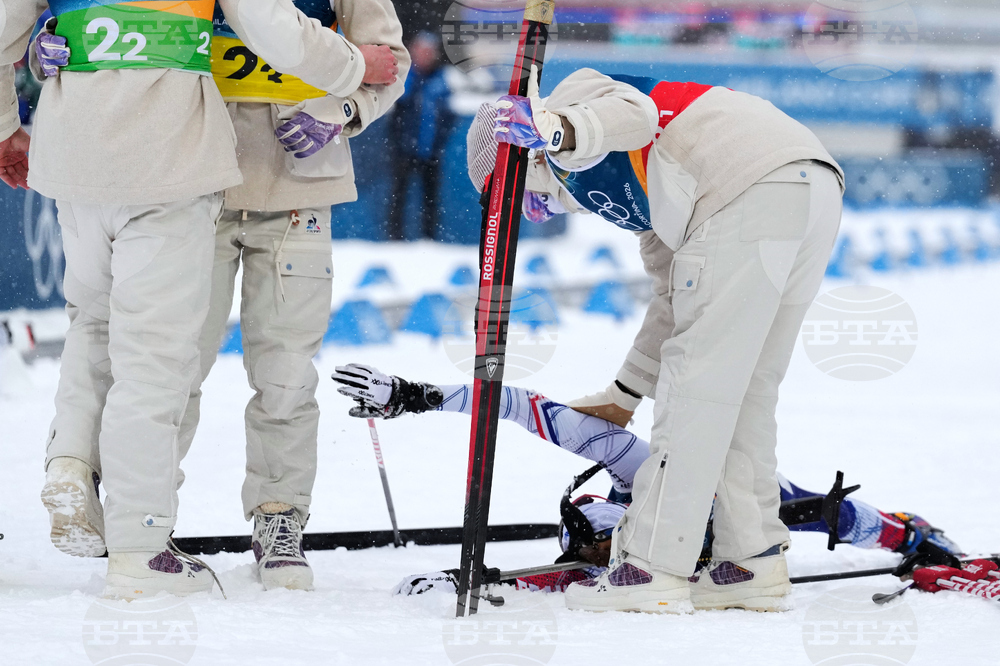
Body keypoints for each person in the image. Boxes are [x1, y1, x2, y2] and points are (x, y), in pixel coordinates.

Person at [3, 0, 385, 599]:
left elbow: (386, 64)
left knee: (275, 371)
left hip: (282, 182)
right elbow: (283, 32)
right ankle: (143, 533)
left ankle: (269, 516)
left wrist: (342, 108)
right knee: (165, 368)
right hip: (185, 170)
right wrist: (355, 68)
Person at [469, 68, 846, 612]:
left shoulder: (573, 101)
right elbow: (675, 296)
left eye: (528, 199)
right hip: (803, 185)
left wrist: (556, 128)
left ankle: (650, 567)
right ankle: (750, 560)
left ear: (523, 162)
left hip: (745, 184)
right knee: (745, 394)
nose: (540, 211)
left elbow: (637, 114)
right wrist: (623, 394)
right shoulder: (648, 196)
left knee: (693, 392)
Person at [329, 365, 962, 597]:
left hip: (726, 483)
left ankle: (912, 533)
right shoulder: (599, 555)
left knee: (824, 513)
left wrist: (419, 395)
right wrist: (471, 580)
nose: (600, 559)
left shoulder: (634, 464)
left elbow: (519, 405)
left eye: (601, 548)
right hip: (715, 527)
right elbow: (553, 579)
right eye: (595, 557)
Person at [385, 32, 457, 240]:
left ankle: (429, 239)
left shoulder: (440, 79)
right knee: (398, 195)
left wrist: (440, 141)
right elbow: (396, 108)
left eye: (429, 52)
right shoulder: (405, 76)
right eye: (421, 51)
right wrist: (399, 141)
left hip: (431, 150)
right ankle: (395, 238)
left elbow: (447, 114)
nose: (425, 56)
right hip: (404, 150)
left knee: (431, 198)